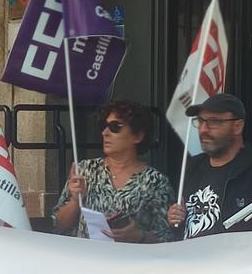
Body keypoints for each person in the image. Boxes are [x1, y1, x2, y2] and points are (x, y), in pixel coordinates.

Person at [53, 99, 173, 242]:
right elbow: (59, 226)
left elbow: (166, 238)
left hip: (130, 261)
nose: (105, 132)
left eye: (115, 127)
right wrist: (75, 200)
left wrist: (139, 236)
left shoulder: (155, 182)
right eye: (104, 126)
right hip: (87, 259)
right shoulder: (85, 170)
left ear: (138, 136)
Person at [166, 93, 252, 239]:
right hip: (191, 259)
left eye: (213, 122)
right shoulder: (191, 167)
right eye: (200, 121)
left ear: (237, 126)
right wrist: (175, 219)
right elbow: (181, 232)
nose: (203, 129)